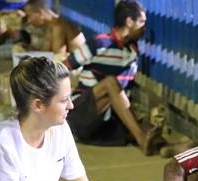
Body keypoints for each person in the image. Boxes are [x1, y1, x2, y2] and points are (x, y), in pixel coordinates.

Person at [63, 0, 165, 155]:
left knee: (156, 137)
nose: (145, 28)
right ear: (129, 22)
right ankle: (141, 139)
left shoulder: (131, 52)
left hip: (103, 121)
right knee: (111, 82)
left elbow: (122, 94)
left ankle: (170, 148)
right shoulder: (99, 43)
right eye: (142, 22)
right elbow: (63, 68)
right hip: (79, 114)